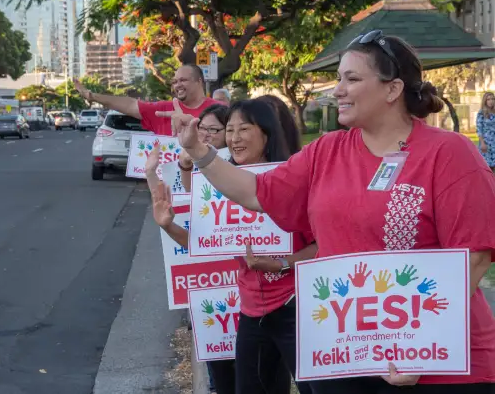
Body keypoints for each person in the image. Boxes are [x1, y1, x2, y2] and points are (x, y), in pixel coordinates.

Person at [163, 30, 495, 393]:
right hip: (345, 353)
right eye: (338, 78)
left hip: (436, 364)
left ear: (392, 89)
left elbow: (473, 257)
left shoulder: (450, 153)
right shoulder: (327, 149)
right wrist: (198, 151)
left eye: (351, 79)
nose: (337, 89)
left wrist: (417, 346)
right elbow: (256, 192)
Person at [150, 99, 316, 394]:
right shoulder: (224, 183)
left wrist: (281, 264)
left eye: (244, 129)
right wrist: (167, 225)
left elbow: (324, 245)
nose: (234, 138)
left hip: (299, 307)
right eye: (230, 130)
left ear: (266, 133)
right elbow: (204, 243)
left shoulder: (296, 178)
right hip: (252, 311)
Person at [74, 64, 220, 136]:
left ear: (199, 81)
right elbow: (130, 104)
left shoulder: (221, 110)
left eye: (183, 80)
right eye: (174, 82)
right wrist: (92, 96)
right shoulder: (164, 109)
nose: (177, 85)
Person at [477, 92, 495, 171]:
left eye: (492, 99)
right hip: (486, 143)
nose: (491, 101)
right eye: (488, 99)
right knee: (488, 167)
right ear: (485, 101)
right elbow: (479, 129)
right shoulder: (481, 113)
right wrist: (482, 143)